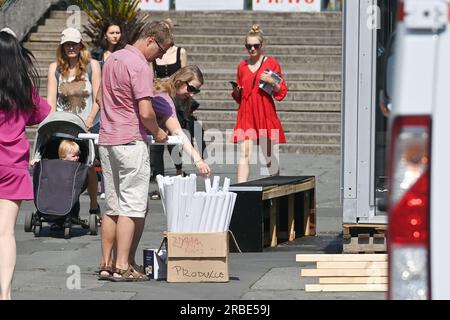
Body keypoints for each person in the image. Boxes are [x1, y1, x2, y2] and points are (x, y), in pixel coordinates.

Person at [97, 20, 172, 281]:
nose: (160, 57)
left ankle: (106, 263)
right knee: (133, 206)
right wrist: (158, 132)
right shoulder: (140, 65)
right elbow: (145, 111)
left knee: (112, 205)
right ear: (150, 40)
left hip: (107, 140)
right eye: (161, 51)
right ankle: (122, 266)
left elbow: (98, 98)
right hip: (130, 140)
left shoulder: (113, 58)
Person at [0, 29, 52, 299]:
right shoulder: (24, 88)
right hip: (13, 165)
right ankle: (5, 293)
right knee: (5, 233)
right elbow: (44, 114)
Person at [46, 27, 102, 219]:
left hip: (87, 123)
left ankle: (94, 205)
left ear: (81, 45)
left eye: (74, 44)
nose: (71, 47)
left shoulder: (92, 66)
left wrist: (89, 119)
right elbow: (51, 100)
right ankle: (66, 206)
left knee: (89, 163)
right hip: (64, 124)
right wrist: (50, 122)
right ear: (62, 47)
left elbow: (98, 97)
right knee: (65, 163)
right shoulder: (55, 69)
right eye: (67, 44)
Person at [231, 25, 288, 183]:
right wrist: (237, 91)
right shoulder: (242, 66)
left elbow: (281, 91)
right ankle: (241, 190)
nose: (252, 49)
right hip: (246, 112)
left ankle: (277, 185)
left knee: (268, 154)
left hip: (264, 111)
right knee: (244, 153)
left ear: (262, 46)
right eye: (249, 46)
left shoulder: (271, 63)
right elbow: (239, 96)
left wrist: (272, 81)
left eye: (256, 45)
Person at [150, 18, 188, 200]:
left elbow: (186, 74)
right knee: (157, 142)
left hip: (175, 98)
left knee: (174, 137)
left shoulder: (180, 51)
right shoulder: (155, 53)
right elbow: (151, 75)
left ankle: (179, 170)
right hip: (159, 95)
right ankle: (159, 178)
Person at [91, 21, 123, 201]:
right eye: (111, 32)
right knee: (98, 145)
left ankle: (110, 184)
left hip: (117, 101)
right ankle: (100, 182)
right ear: (105, 34)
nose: (115, 36)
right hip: (99, 100)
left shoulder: (124, 53)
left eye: (118, 32)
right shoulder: (96, 54)